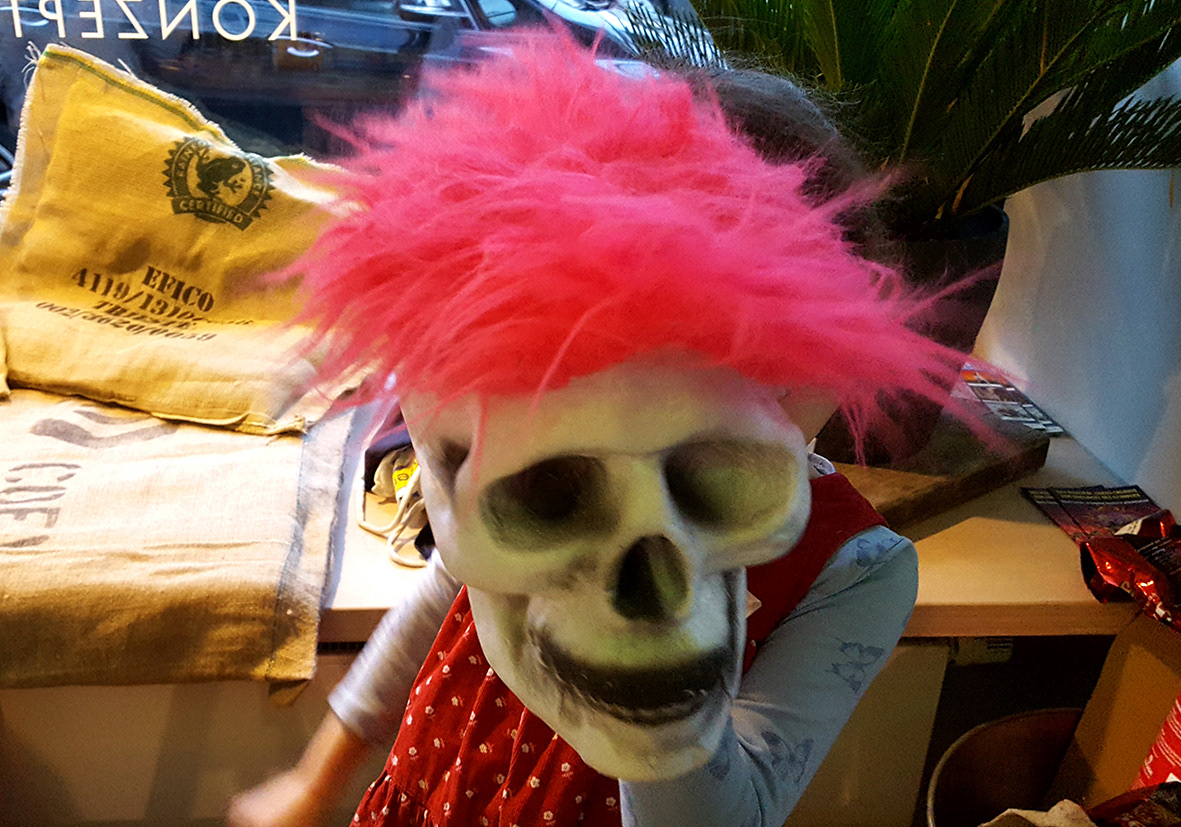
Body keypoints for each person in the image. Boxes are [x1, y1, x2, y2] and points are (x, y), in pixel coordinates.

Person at [229, 31, 965, 827]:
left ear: (850, 330)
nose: (727, 397)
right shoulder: (539, 463)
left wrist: (659, 685)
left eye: (771, 355)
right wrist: (318, 778)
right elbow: (439, 597)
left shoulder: (855, 570)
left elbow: (728, 818)